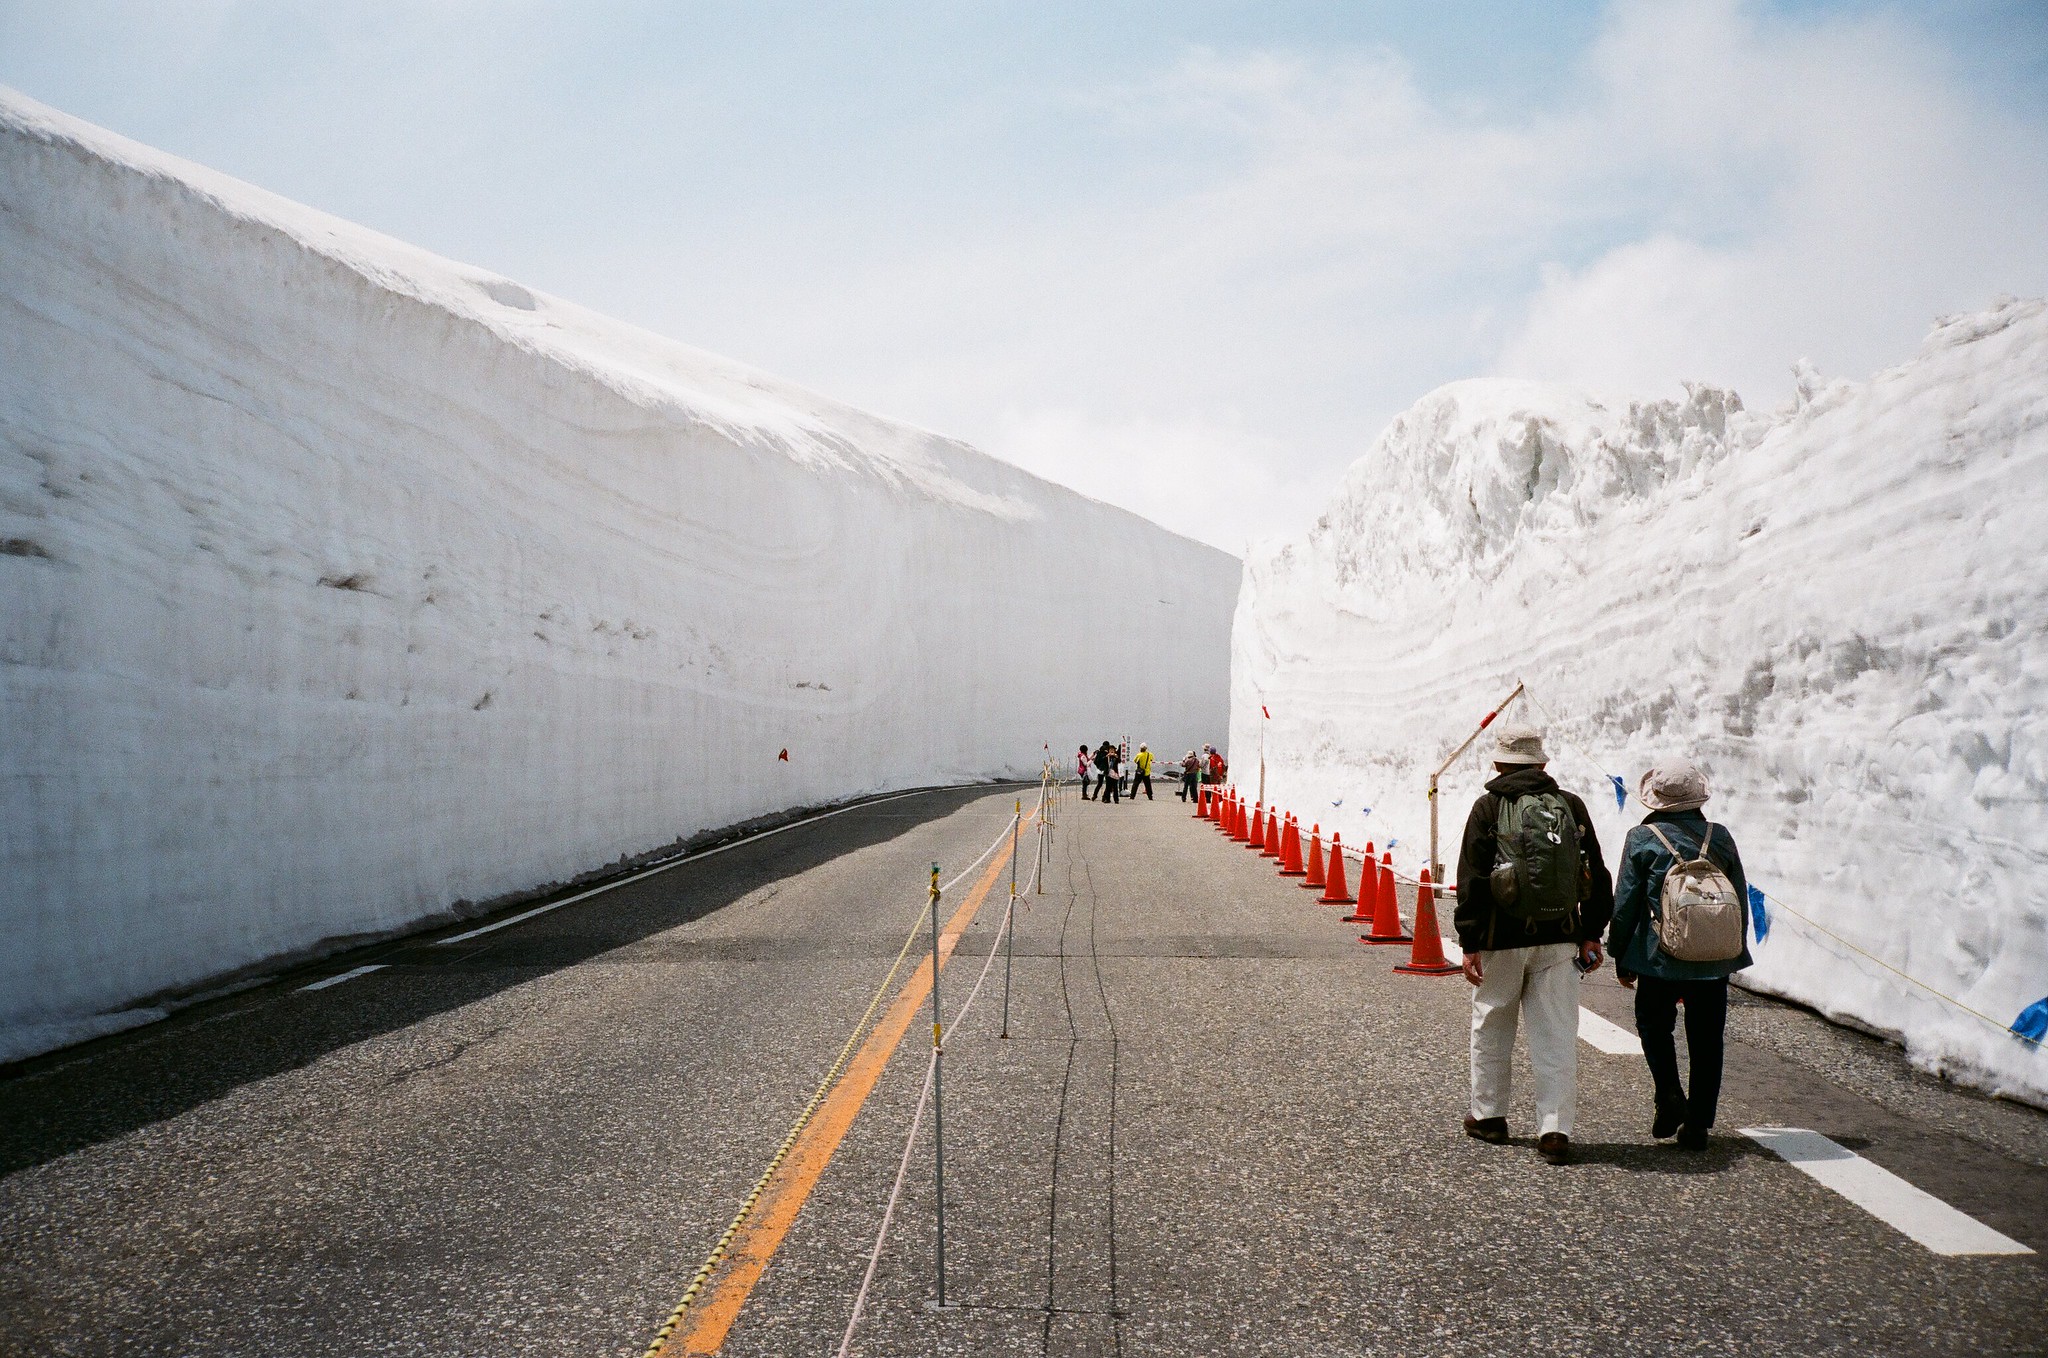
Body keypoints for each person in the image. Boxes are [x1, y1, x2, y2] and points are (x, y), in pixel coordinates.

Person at [1454, 724, 1614, 1165]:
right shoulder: (1570, 805)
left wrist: (1469, 940)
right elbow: (1596, 875)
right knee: (1557, 1033)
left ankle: (1489, 1116)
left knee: (1492, 1023)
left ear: (1499, 763)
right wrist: (1591, 932)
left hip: (1500, 938)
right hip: (1560, 937)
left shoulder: (1489, 807)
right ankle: (1555, 1129)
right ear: (1543, 764)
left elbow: (1471, 879)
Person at [1606, 758, 1752, 1152]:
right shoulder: (1719, 836)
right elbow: (1736, 895)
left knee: (1654, 1026)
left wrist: (1618, 953)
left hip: (1660, 957)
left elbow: (1626, 902)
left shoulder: (1643, 837)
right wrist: (1731, 947)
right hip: (1713, 960)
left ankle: (1669, 1094)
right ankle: (1699, 1124)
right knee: (1708, 1039)